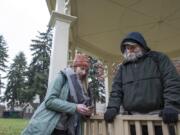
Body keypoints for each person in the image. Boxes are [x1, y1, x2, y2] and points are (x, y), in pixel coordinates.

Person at [104, 32, 180, 134]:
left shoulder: (159, 59)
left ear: (141, 45)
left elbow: (172, 82)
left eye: (132, 46)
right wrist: (112, 108)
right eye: (127, 47)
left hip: (159, 119)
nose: (129, 50)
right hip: (132, 121)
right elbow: (116, 91)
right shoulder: (123, 68)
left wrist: (171, 106)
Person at [21, 53, 93, 135]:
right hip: (49, 126)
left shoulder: (81, 87)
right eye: (82, 68)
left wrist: (86, 112)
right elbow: (49, 101)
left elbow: (76, 112)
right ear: (75, 67)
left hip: (66, 129)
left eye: (86, 70)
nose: (84, 72)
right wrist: (75, 107)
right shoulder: (62, 77)